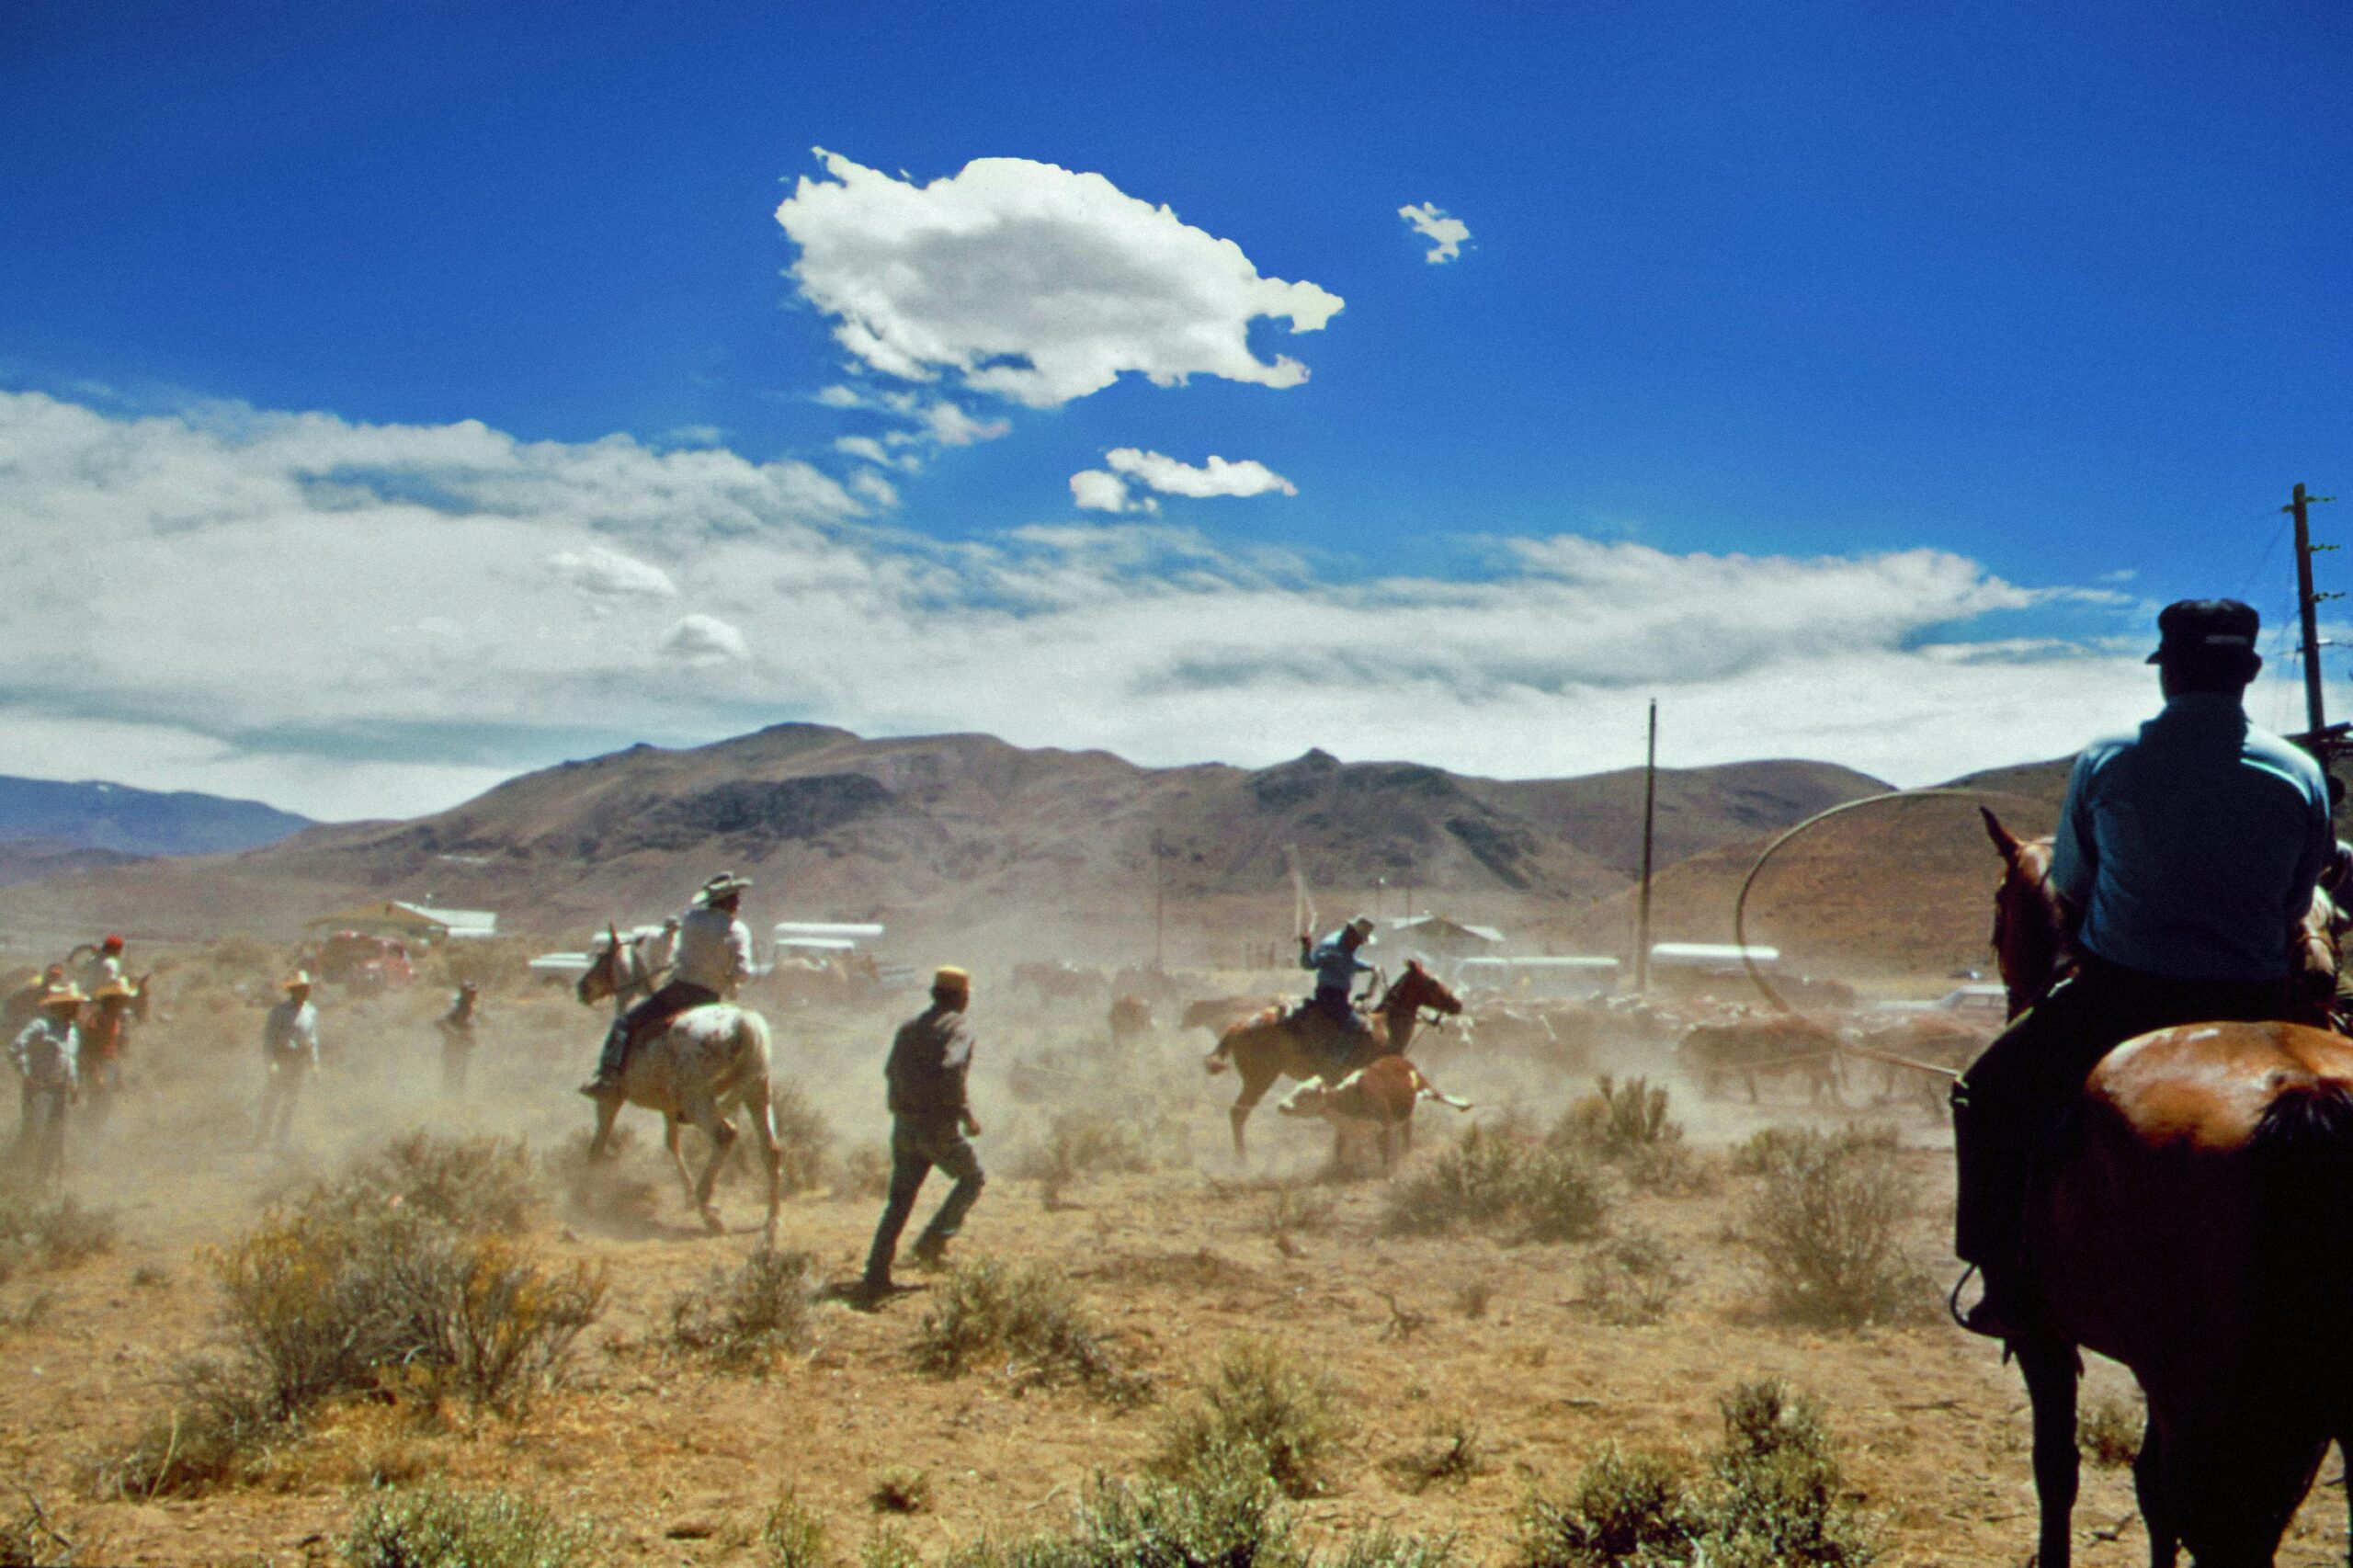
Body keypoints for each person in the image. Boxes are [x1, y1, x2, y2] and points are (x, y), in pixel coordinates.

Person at [1950, 599, 2332, 1338]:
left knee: (1985, 1096)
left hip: (2125, 997)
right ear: (2249, 672)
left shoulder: (2109, 760)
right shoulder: (2301, 771)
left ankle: (2002, 1280)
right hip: (2262, 1000)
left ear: (2169, 672)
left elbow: (2073, 885)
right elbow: (2298, 898)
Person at [862, 965, 985, 1298]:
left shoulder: (908, 1028)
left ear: (934, 995)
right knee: (972, 1178)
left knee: (898, 1201)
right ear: (962, 998)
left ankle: (876, 1271)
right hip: (937, 1127)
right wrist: (965, 1117)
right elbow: (951, 1069)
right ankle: (932, 1242)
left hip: (904, 1126)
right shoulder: (959, 1029)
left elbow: (890, 1071)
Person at [580, 873, 754, 1097]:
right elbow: (744, 972)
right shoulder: (738, 930)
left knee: (625, 1022)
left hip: (679, 992)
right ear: (727, 900)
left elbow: (679, 955)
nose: (739, 903)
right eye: (736, 898)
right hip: (711, 997)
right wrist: (728, 980)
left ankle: (607, 1078)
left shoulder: (691, 919)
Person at [11, 983, 82, 1188]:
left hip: (59, 1089)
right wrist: (26, 1074)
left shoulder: (73, 1032)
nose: (77, 1009)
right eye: (73, 1005)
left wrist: (74, 1085)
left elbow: (71, 1060)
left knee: (54, 1137)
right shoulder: (41, 1026)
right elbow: (16, 1047)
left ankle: (41, 1182)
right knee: (36, 1133)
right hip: (40, 1088)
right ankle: (17, 1175)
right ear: (61, 1006)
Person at [1292, 915, 1379, 1065]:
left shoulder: (1352, 946)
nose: (1360, 943)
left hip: (1341, 995)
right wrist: (1306, 949)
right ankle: (1334, 1062)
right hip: (1329, 995)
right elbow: (1310, 964)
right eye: (1360, 939)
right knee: (1353, 1024)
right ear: (1352, 933)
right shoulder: (1331, 946)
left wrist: (1368, 966)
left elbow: (1349, 962)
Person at [256, 972, 323, 1152]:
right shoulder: (279, 1012)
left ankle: (281, 1140)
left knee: (291, 1102)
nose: (305, 991)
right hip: (281, 1057)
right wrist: (271, 1062)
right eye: (301, 988)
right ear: (293, 990)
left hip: (299, 1060)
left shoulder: (311, 1012)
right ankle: (262, 1138)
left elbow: (312, 1040)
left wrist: (314, 1064)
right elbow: (269, 1038)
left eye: (307, 988)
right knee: (272, 1099)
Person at [436, 980, 480, 1096]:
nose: (473, 995)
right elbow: (439, 1021)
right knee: (451, 1078)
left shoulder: (469, 1008)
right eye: (469, 993)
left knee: (460, 1079)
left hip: (463, 1050)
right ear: (463, 993)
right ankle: (447, 1103)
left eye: (474, 993)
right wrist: (458, 1035)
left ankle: (456, 1104)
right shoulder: (456, 1007)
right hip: (453, 1050)